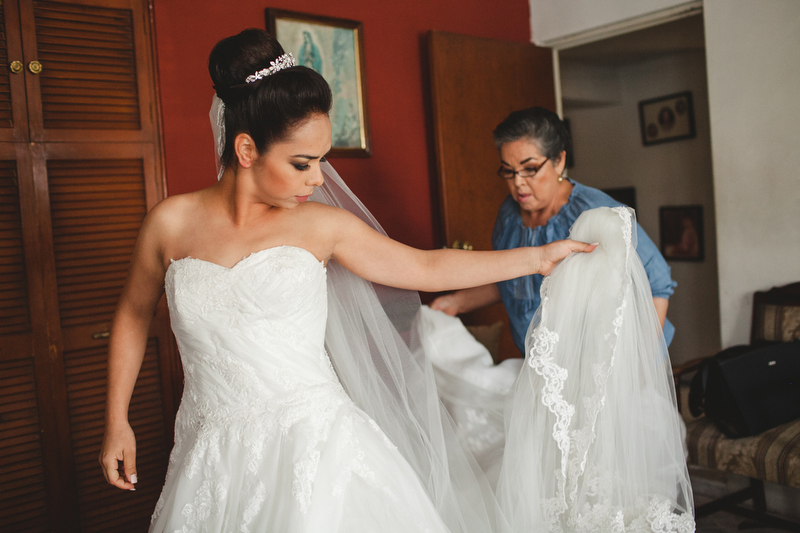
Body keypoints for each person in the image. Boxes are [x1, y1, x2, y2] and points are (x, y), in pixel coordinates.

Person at [98, 29, 594, 532]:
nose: (318, 179)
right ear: (246, 149)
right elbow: (133, 314)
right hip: (212, 457)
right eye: (302, 163)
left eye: (322, 160)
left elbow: (425, 266)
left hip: (319, 450)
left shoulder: (322, 227)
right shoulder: (170, 223)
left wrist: (537, 258)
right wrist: (116, 418)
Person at [431, 107, 677, 354]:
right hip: (540, 365)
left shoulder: (597, 212)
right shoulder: (509, 215)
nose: (517, 182)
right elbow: (512, 278)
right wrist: (457, 302)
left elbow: (657, 283)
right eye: (508, 170)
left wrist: (634, 361)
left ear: (559, 161)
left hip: (596, 366)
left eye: (530, 169)